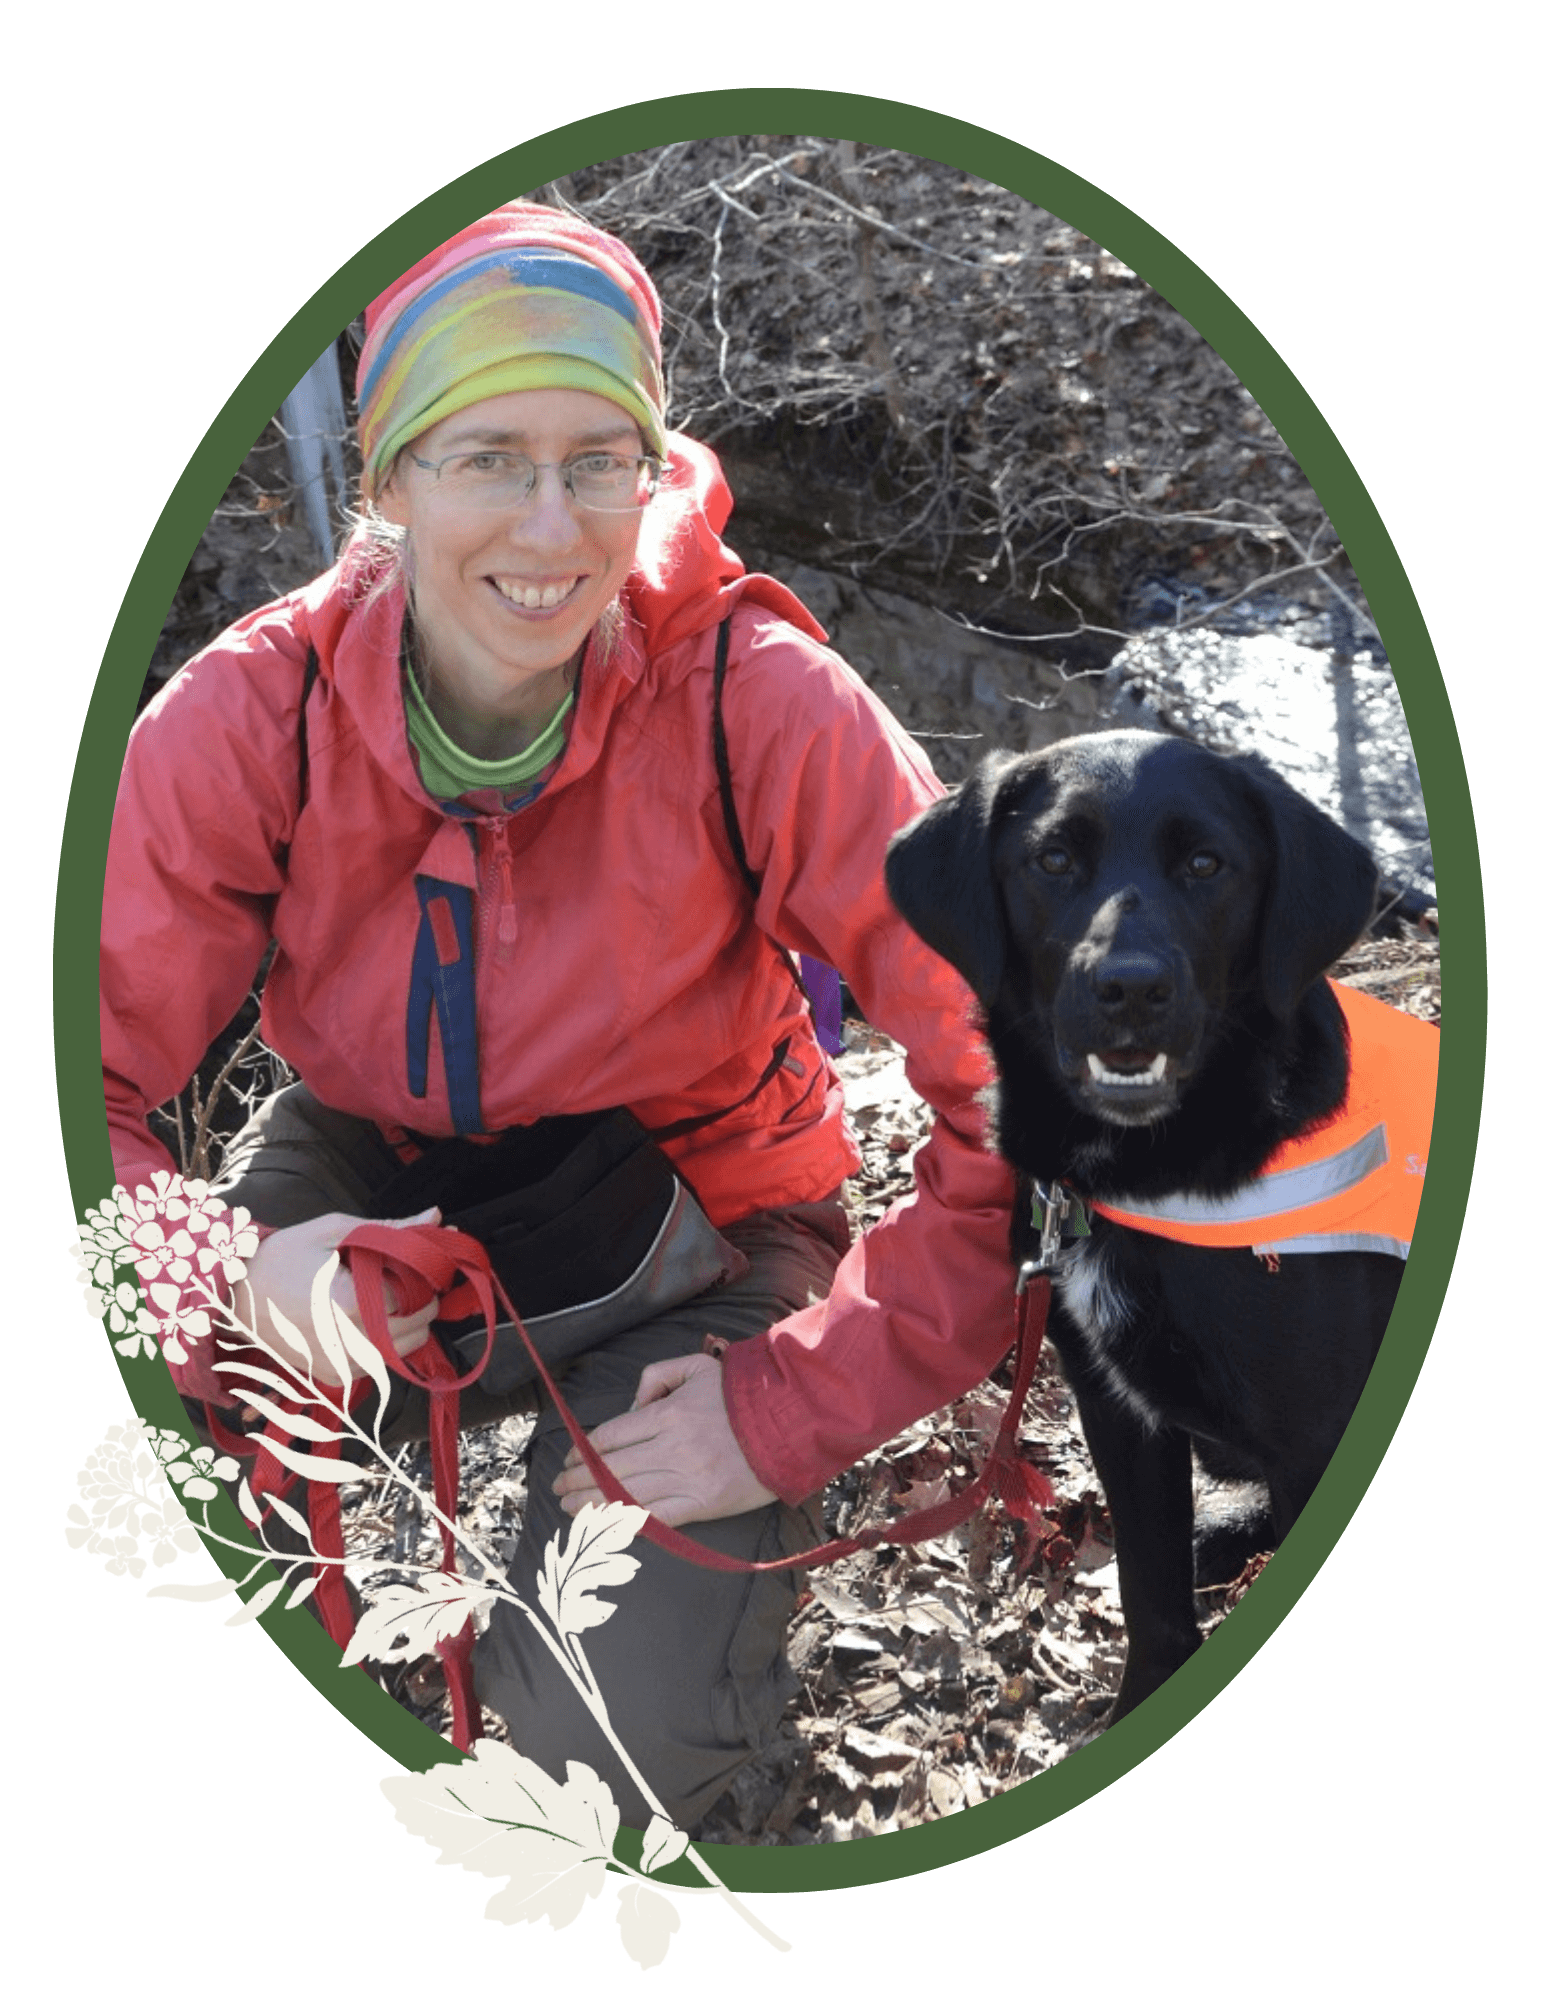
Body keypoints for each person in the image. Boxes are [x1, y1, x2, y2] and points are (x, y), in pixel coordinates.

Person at [101, 200, 1020, 1833]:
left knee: (603, 1764)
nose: (552, 524)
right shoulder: (251, 720)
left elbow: (1019, 1092)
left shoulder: (765, 704)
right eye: (487, 457)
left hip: (709, 1218)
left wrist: (788, 1401)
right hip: (369, 1163)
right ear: (385, 485)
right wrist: (235, 1274)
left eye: (603, 456)